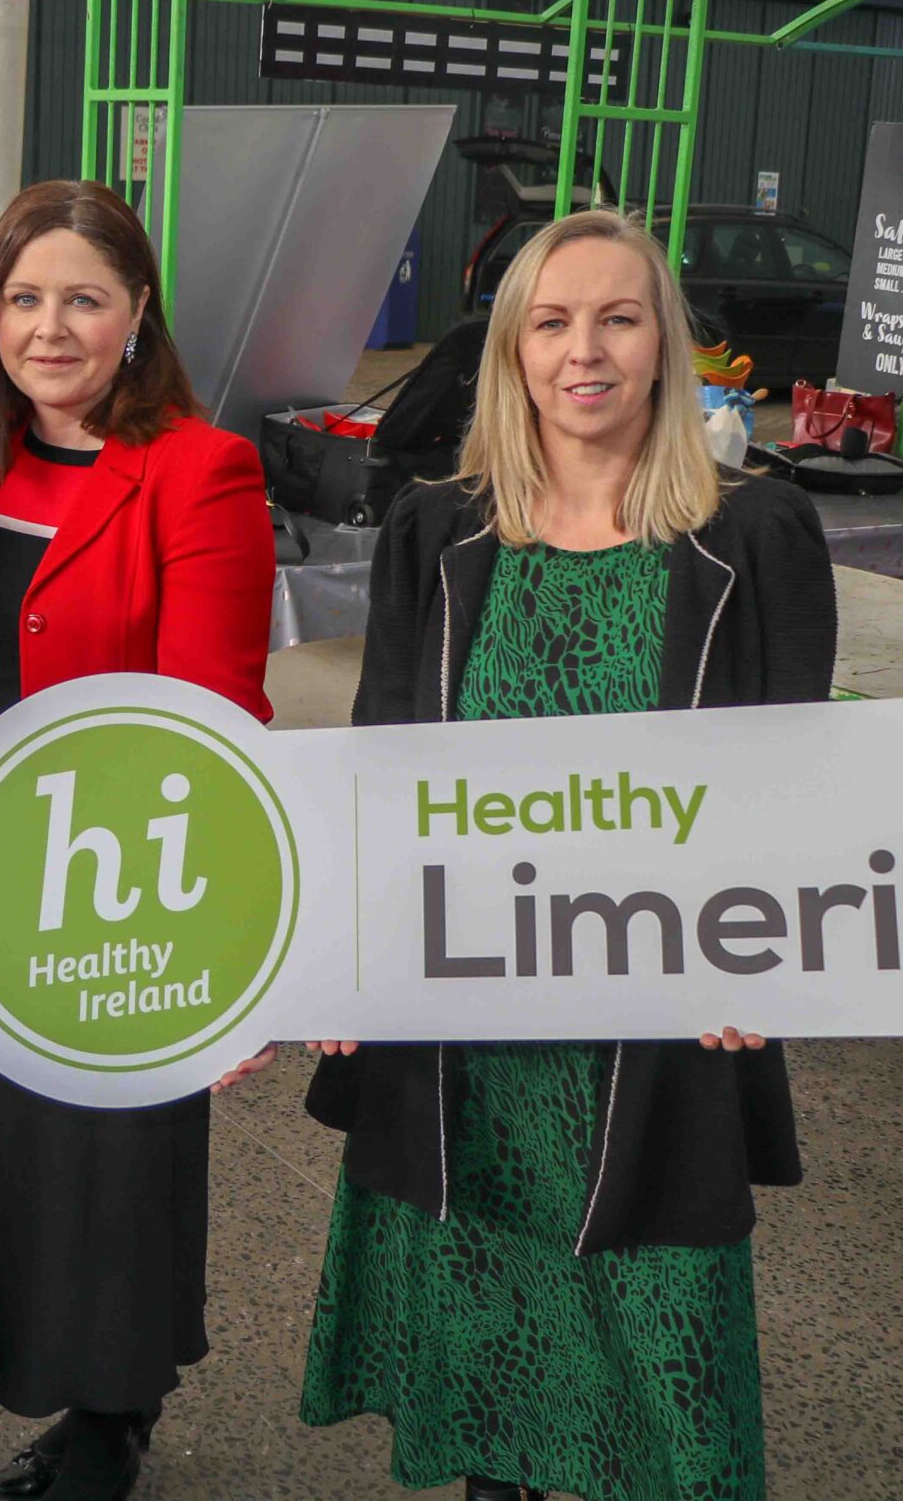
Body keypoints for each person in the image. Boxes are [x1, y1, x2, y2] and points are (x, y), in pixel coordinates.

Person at [296, 207, 836, 1501]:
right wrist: (344, 963)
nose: (583, 349)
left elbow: (795, 790)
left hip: (657, 1032)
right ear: (512, 350)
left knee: (659, 1349)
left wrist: (764, 964)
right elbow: (384, 768)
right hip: (471, 1030)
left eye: (617, 316)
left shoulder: (755, 535)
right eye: (552, 321)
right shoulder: (440, 531)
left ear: (666, 344)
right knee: (489, 1334)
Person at [0, 179, 275, 1501]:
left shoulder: (202, 470)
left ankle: (113, 1418)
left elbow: (218, 711)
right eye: (25, 299)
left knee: (112, 1163)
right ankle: (53, 1386)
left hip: (124, 886)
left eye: (83, 300)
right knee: (10, 1149)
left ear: (137, 314)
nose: (51, 328)